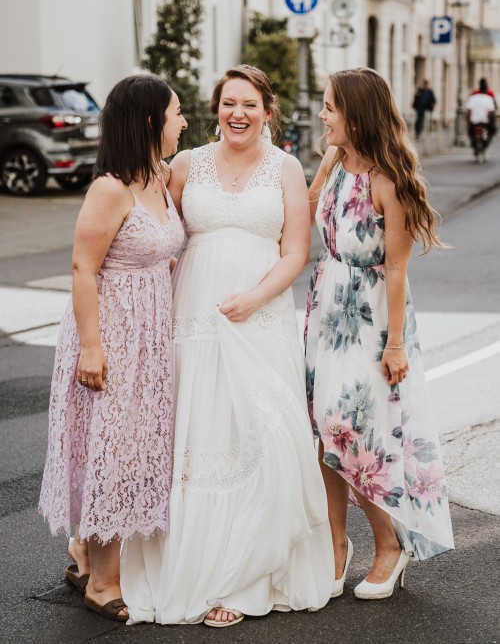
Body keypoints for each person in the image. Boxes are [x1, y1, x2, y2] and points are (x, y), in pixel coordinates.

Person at [121, 65, 334, 626]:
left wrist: (255, 297)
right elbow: (153, 223)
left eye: (249, 104)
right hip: (193, 313)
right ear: (215, 109)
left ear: (268, 111)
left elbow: (295, 251)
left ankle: (246, 577)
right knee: (200, 426)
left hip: (259, 316)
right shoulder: (186, 164)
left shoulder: (286, 168)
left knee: (260, 430)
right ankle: (194, 566)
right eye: (227, 103)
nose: (237, 114)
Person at [38, 74, 187, 622]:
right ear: (149, 121)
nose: (184, 122)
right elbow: (82, 269)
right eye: (176, 113)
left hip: (149, 334)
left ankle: (83, 553)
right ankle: (103, 582)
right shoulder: (110, 187)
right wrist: (92, 350)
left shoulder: (161, 175)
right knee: (113, 452)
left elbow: (153, 245)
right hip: (109, 335)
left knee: (130, 446)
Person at [305, 67, 454, 602]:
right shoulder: (333, 161)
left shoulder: (389, 179)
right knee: (323, 429)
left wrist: (393, 345)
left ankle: (389, 544)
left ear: (355, 114)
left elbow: (396, 269)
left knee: (351, 430)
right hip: (326, 308)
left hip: (370, 319)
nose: (323, 115)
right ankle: (336, 547)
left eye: (330, 107)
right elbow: (302, 213)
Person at [466, 78, 497, 156]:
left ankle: (474, 145)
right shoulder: (489, 95)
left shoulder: (474, 95)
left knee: (470, 132)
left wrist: (468, 121)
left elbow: (469, 110)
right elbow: (492, 110)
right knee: (493, 130)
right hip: (485, 121)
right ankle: (485, 144)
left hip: (474, 121)